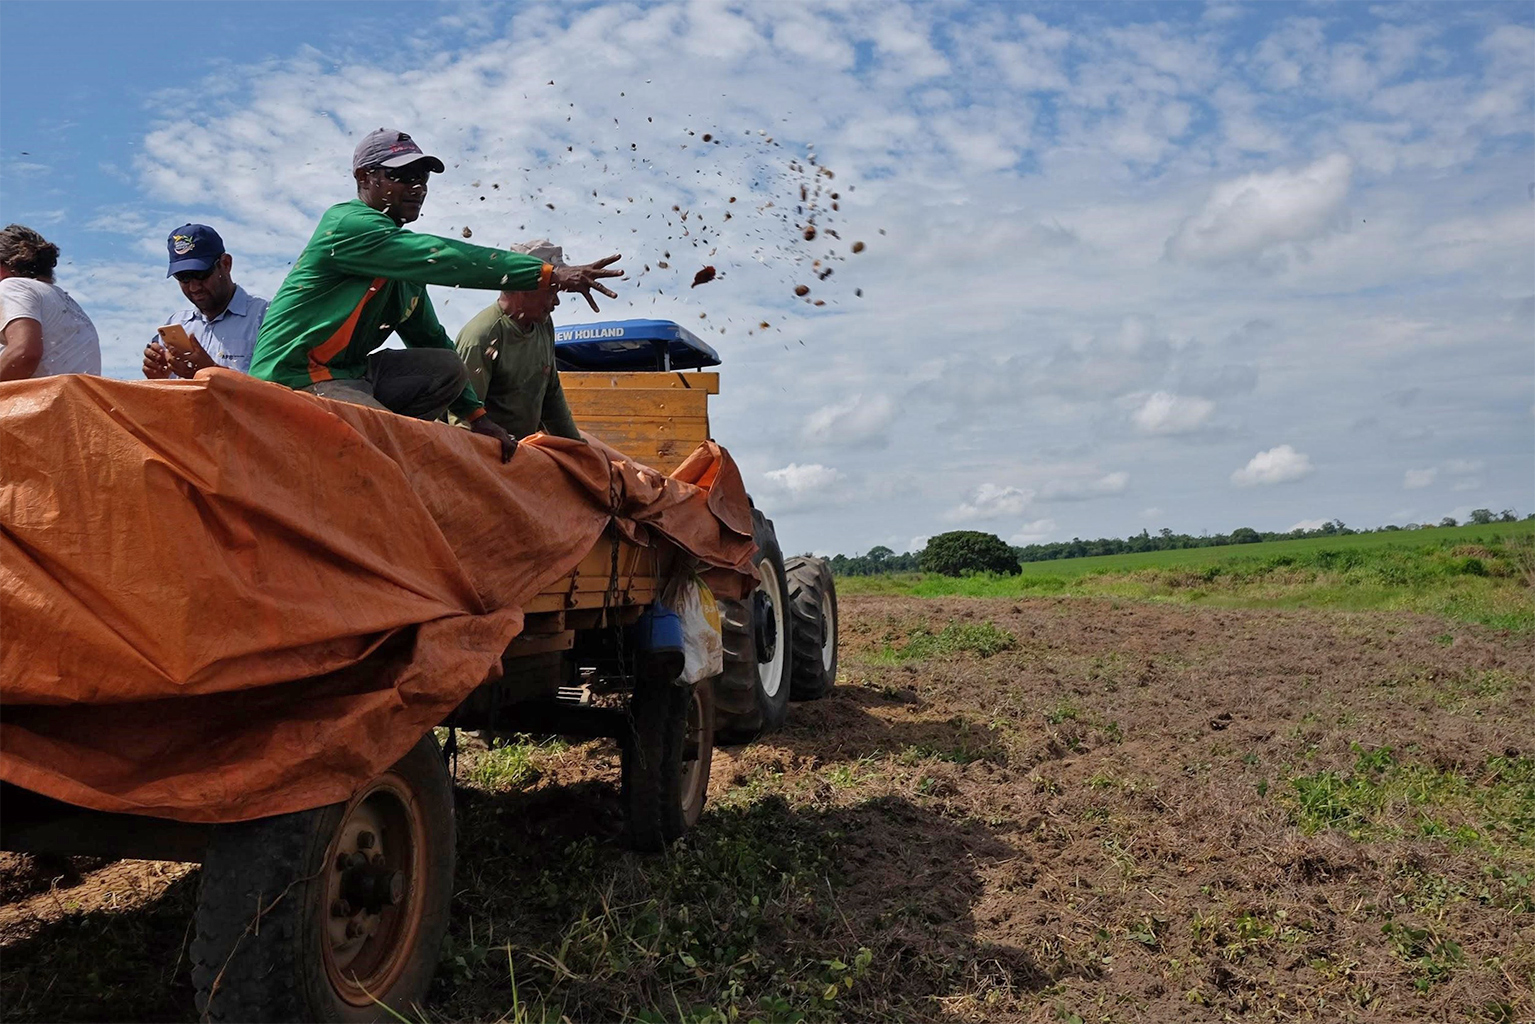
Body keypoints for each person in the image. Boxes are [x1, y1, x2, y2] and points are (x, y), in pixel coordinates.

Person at [248, 128, 622, 461]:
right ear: (364, 177)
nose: (417, 187)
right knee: (379, 441)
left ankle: (399, 460)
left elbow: (429, 336)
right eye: (402, 176)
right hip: (296, 376)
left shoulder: (401, 269)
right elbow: (441, 257)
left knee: (446, 367)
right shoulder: (349, 226)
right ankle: (379, 472)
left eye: (422, 178)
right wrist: (548, 274)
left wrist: (479, 419)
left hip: (349, 375)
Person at [452, 239, 580, 441]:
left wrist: (579, 450)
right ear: (525, 286)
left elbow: (552, 397)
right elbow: (463, 425)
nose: (556, 301)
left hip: (520, 453)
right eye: (551, 291)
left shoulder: (543, 324)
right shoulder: (482, 336)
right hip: (486, 453)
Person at [143, 223, 269, 379]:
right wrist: (159, 379)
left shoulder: (265, 318)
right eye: (184, 278)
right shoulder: (176, 324)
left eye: (201, 274)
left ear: (226, 264)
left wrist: (210, 372)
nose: (194, 287)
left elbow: (278, 390)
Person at [0, 224, 102, 381]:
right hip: (77, 402)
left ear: (2, 269)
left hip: (45, 403)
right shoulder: (70, 304)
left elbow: (24, 352)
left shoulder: (13, 286)